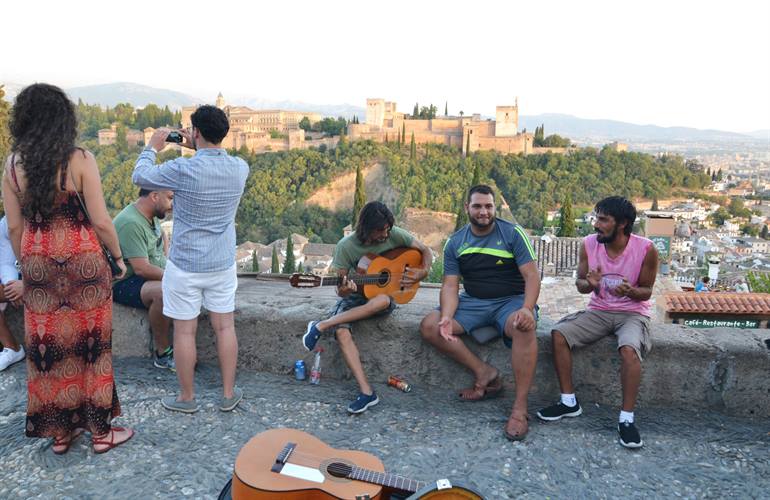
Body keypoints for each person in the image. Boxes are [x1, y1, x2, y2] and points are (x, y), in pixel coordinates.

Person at [2, 83, 133, 454]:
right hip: (84, 266)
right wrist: (119, 258)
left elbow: (14, 227)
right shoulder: (80, 159)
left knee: (50, 350)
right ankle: (101, 433)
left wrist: (28, 266)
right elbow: (103, 221)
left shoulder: (12, 165)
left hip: (39, 269)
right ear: (64, 118)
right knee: (92, 347)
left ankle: (60, 434)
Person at [133, 105, 249, 414]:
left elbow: (139, 175)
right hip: (221, 264)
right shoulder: (240, 168)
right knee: (225, 328)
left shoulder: (182, 170)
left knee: (184, 331)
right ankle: (227, 394)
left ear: (195, 132)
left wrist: (153, 147)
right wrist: (196, 144)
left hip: (185, 264)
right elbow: (211, 157)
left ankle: (187, 398)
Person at [419, 185, 540, 441]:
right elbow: (451, 285)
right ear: (467, 209)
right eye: (477, 206)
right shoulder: (456, 242)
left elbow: (531, 275)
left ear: (495, 208)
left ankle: (519, 408)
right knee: (430, 325)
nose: (483, 211)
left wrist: (527, 309)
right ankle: (484, 372)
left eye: (488, 206)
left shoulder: (512, 234)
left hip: (511, 301)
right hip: (473, 302)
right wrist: (447, 316)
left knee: (523, 327)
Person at [536, 196, 658, 449]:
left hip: (632, 313)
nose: (595, 224)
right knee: (559, 334)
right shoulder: (589, 244)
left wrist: (631, 292)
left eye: (603, 219)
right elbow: (581, 284)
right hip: (599, 310)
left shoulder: (646, 249)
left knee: (629, 350)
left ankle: (626, 419)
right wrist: (589, 284)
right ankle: (569, 402)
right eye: (596, 217)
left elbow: (646, 291)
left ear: (622, 224)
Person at [302, 201, 432, 414]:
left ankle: (320, 325)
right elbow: (340, 290)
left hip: (384, 297)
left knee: (382, 300)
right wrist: (346, 289)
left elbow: (425, 251)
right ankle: (367, 393)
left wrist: (423, 271)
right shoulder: (346, 246)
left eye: (388, 229)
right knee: (342, 332)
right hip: (356, 296)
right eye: (380, 231)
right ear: (365, 228)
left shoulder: (395, 234)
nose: (385, 235)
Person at [113, 189, 175, 370]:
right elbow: (141, 268)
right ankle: (162, 353)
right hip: (124, 280)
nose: (173, 204)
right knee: (163, 293)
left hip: (145, 274)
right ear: (155, 196)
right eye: (170, 198)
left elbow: (161, 238)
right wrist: (176, 279)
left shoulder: (151, 215)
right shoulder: (131, 223)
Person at [0, 216, 25, 371]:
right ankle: (12, 348)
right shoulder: (6, 222)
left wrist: (27, 285)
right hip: (20, 277)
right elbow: (6, 261)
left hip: (53, 280)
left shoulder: (53, 211)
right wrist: (11, 286)